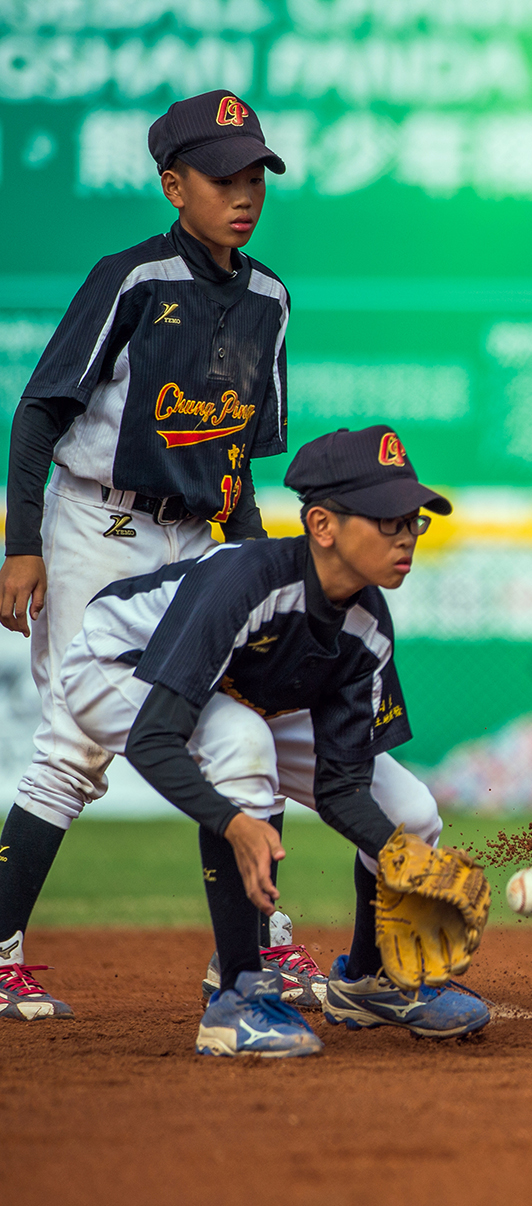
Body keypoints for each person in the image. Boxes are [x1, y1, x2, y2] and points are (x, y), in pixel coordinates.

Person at [0, 89, 310, 1020]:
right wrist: (22, 545)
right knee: (76, 744)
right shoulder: (133, 280)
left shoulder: (269, 299)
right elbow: (39, 412)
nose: (242, 194)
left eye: (254, 176)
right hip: (95, 525)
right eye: (220, 178)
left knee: (243, 719)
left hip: (193, 538)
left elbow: (238, 461)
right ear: (175, 187)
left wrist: (258, 571)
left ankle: (255, 945)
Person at [58, 426, 491, 1055]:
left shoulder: (366, 625)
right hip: (117, 665)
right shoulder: (247, 580)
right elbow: (154, 739)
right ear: (323, 525)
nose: (405, 536)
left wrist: (405, 858)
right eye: (386, 519)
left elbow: (342, 787)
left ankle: (370, 979)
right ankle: (237, 995)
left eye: (413, 522)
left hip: (240, 692)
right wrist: (234, 823)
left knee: (412, 812)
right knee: (241, 739)